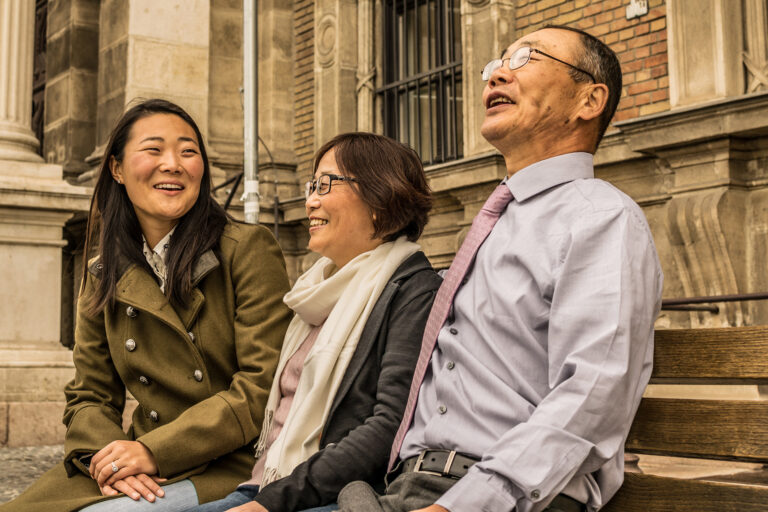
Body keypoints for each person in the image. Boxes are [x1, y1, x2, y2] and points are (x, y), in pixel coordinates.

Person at [338, 25, 663, 512]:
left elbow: (593, 394)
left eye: (526, 58)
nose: (496, 76)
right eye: (495, 64)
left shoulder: (600, 217)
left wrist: (463, 505)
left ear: (589, 100)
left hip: (500, 497)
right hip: (407, 487)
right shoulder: (499, 220)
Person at [1, 99, 293, 512]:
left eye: (188, 151)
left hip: (229, 462)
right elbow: (90, 395)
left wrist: (156, 451)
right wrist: (112, 459)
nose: (173, 164)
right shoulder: (103, 270)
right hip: (139, 462)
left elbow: (260, 388)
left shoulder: (248, 249)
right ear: (117, 169)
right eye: (153, 150)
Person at [183, 132, 441, 512]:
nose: (310, 201)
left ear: (380, 199)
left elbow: (388, 427)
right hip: (264, 482)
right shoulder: (315, 293)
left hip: (321, 497)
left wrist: (269, 504)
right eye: (311, 186)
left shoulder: (414, 291)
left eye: (325, 185)